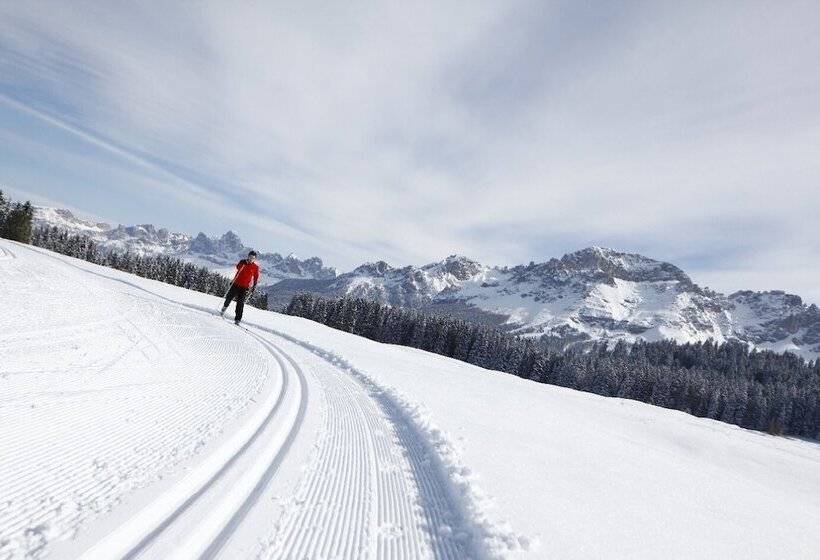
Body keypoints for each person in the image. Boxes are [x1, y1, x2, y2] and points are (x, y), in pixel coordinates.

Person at [221, 250, 260, 325]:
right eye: (250, 257)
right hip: (236, 284)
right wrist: (243, 263)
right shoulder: (242, 262)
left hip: (244, 287)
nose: (251, 259)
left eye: (253, 258)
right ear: (248, 256)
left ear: (255, 259)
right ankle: (224, 308)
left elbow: (256, 277)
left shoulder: (255, 267)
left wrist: (254, 285)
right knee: (229, 297)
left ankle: (238, 319)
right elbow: (238, 267)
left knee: (240, 303)